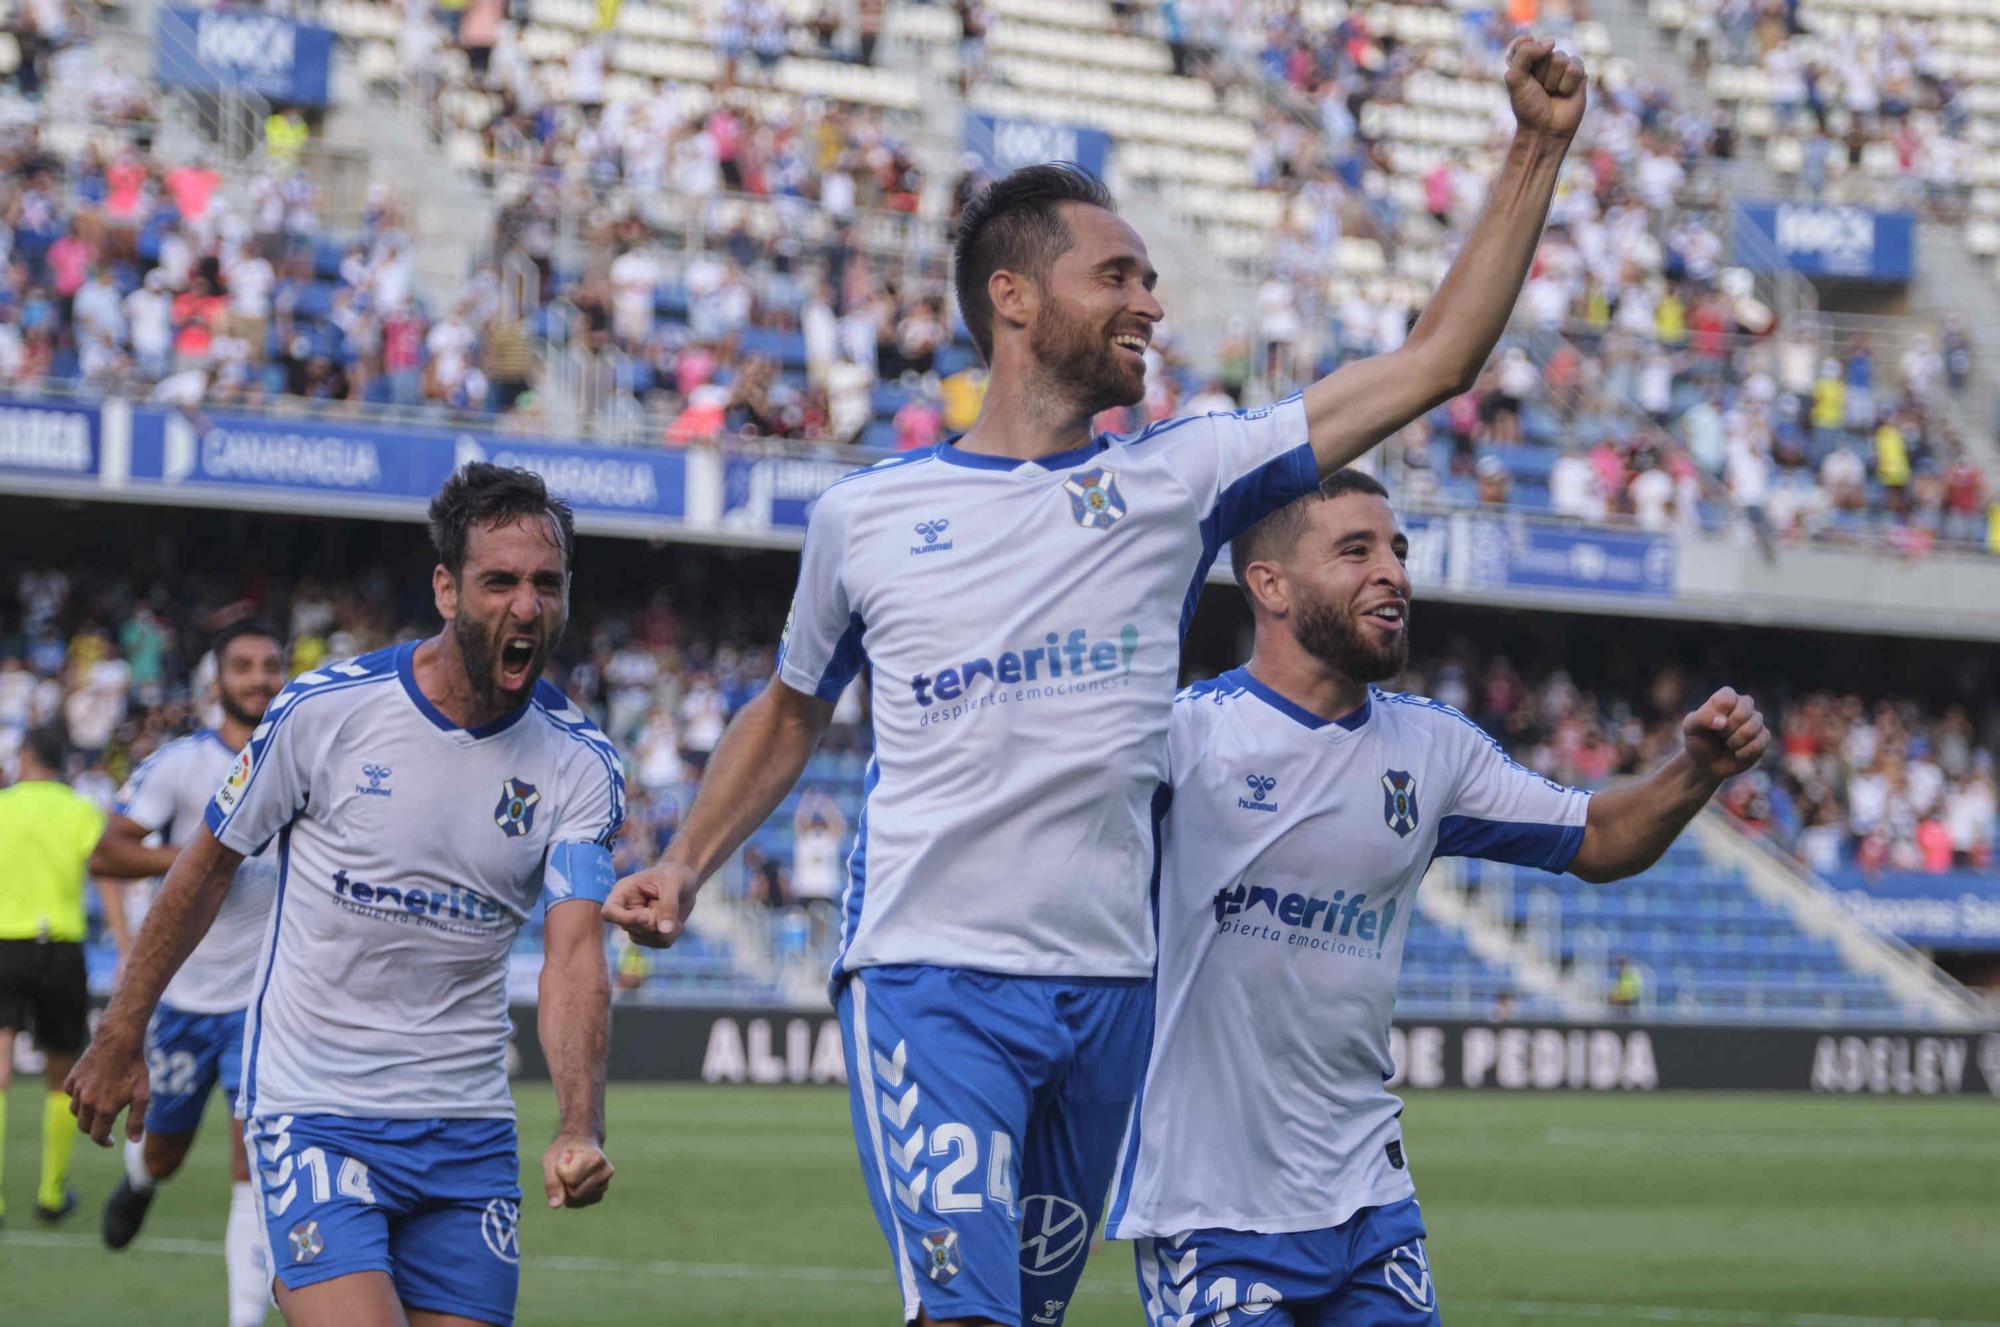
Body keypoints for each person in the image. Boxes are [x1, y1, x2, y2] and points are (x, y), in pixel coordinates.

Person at [605, 37, 1588, 1326]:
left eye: (1151, 277)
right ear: (1012, 297)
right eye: (1115, 275)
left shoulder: (1180, 476)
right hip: (932, 975)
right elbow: (791, 709)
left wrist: (1533, 148)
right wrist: (687, 860)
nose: (1150, 303)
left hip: (1106, 993)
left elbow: (1431, 365)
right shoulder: (867, 515)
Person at [1106, 469, 1769, 1324]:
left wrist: (1696, 772)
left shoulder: (1433, 747)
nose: (1395, 572)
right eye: (1357, 550)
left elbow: (1599, 837)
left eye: (1399, 549)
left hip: (1371, 1207)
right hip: (1210, 1209)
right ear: (1269, 584)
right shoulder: (1184, 741)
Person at [66, 463, 624, 1327]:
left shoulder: (582, 764)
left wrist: (579, 1123)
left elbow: (575, 949)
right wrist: (120, 1028)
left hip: (467, 1129)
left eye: (547, 583)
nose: (527, 606)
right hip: (315, 1110)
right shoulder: (326, 713)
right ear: (446, 587)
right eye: (500, 581)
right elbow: (206, 866)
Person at [87, 622, 285, 1327]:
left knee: (253, 1169)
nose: (259, 677)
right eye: (243, 665)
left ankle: (242, 1319)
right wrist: (199, 857)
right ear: (216, 680)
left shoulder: (300, 762)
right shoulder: (180, 764)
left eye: (270, 665)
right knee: (163, 1148)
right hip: (183, 997)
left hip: (266, 1001)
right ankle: (141, 1181)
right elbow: (106, 854)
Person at [0, 725, 110, 1226]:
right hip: (61, 945)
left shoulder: (3, 806)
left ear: (25, 757)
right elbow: (105, 871)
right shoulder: (79, 809)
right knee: (58, 1072)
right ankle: (51, 1192)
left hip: (4, 941)